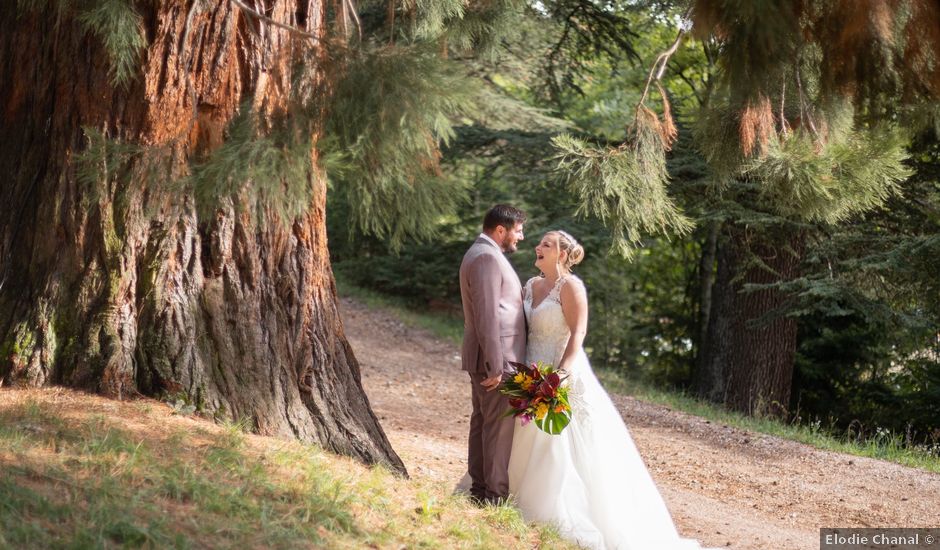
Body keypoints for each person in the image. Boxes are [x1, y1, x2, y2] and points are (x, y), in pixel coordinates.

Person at [508, 230, 710, 549]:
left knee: (559, 442)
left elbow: (578, 334)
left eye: (547, 244)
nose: (538, 247)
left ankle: (555, 513)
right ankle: (514, 499)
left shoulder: (571, 287)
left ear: (562, 254)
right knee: (524, 436)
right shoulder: (530, 286)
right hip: (530, 371)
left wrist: (560, 374)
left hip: (560, 372)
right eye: (540, 243)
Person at [458, 204, 527, 505]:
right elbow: (487, 315)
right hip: (497, 359)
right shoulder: (486, 256)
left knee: (484, 423)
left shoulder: (483, 253)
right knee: (497, 428)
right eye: (518, 230)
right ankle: (493, 498)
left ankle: (481, 492)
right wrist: (495, 365)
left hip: (493, 356)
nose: (521, 237)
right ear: (501, 230)